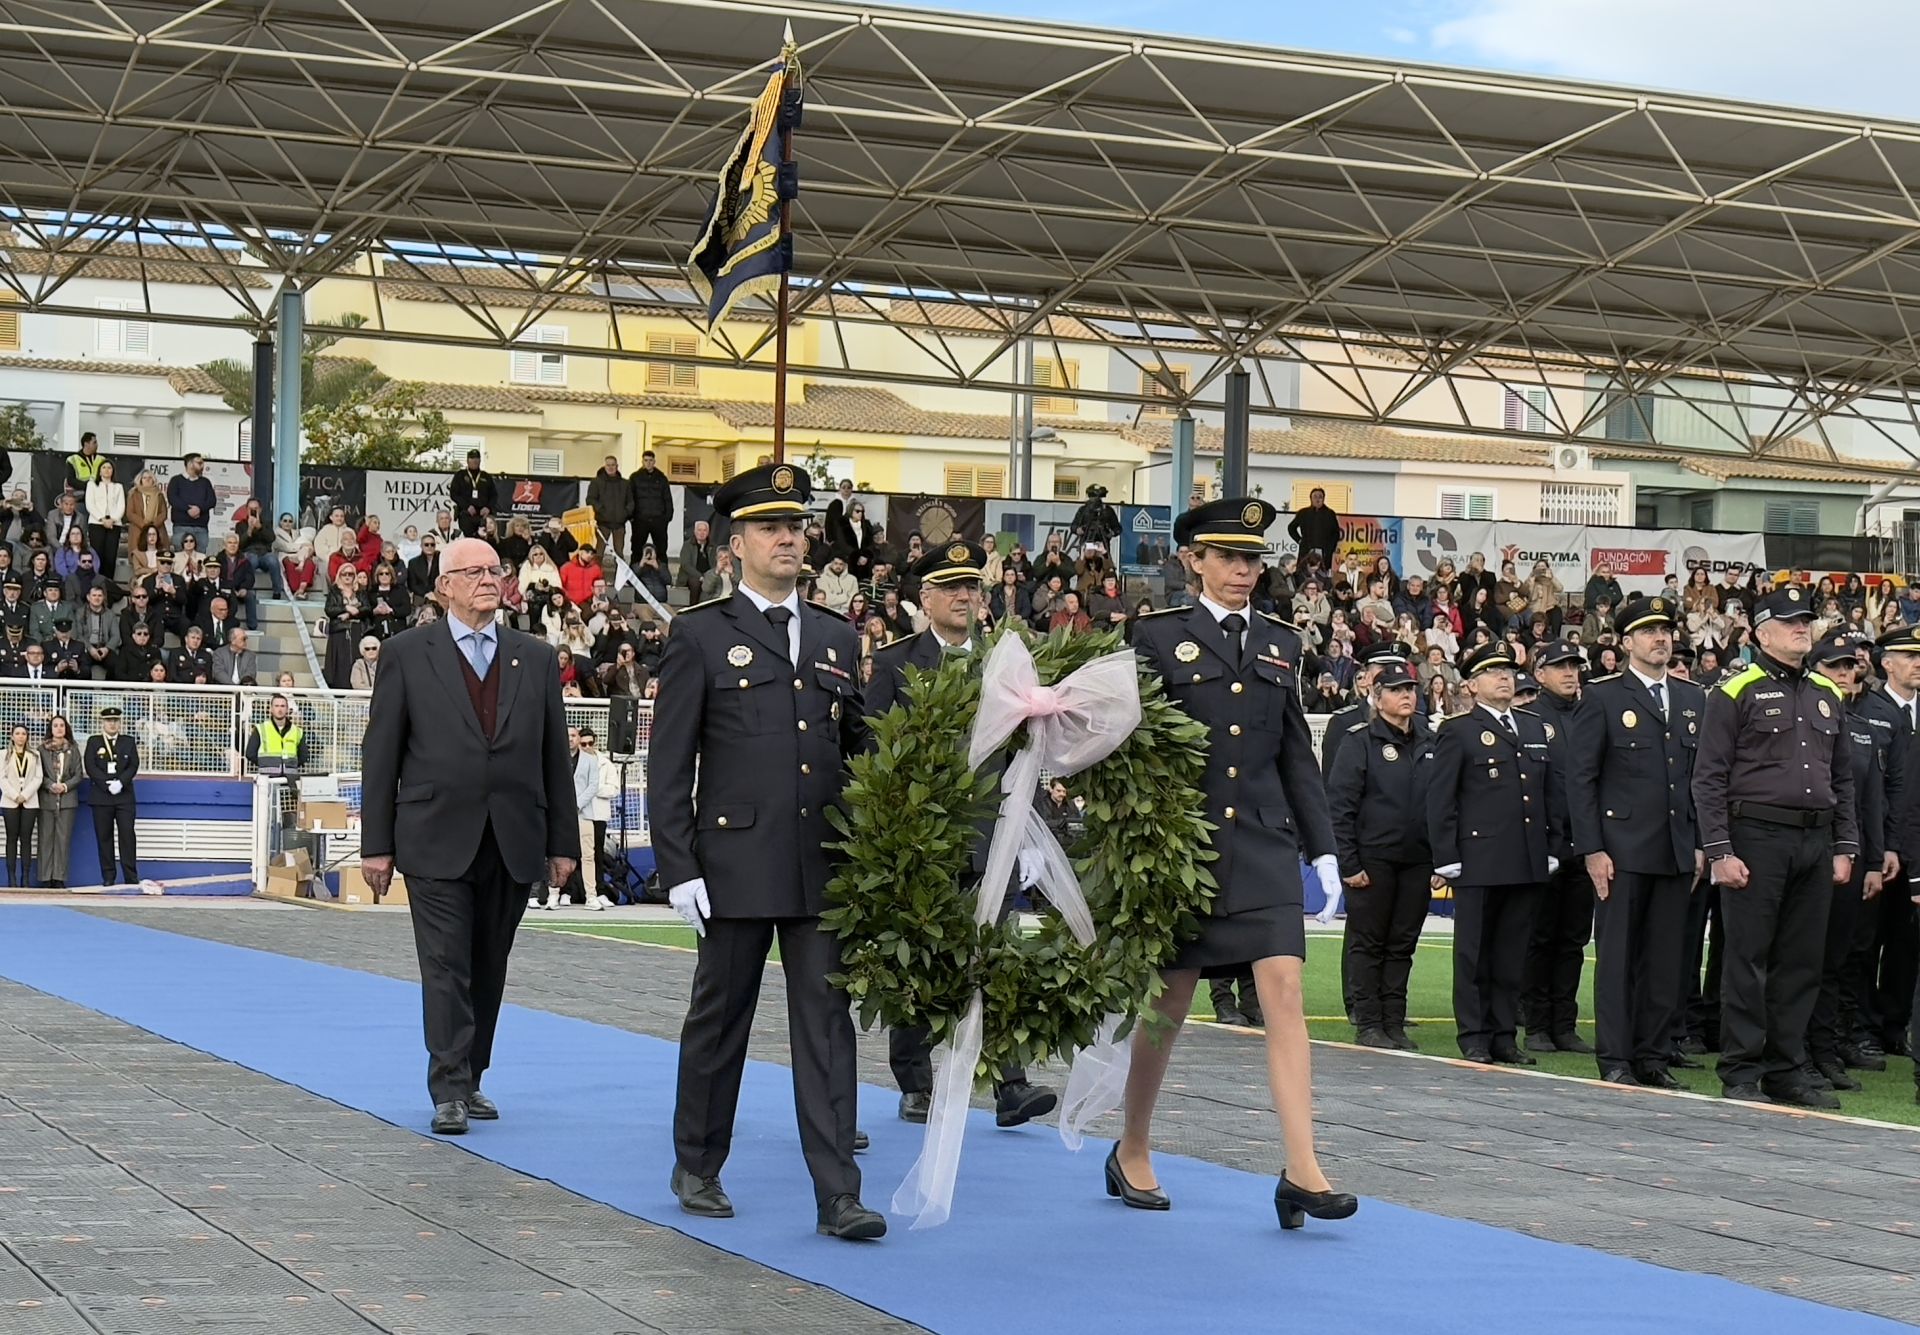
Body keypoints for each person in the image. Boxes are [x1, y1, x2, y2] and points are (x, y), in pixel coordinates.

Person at [651, 463, 884, 1241]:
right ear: (734, 544)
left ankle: (838, 1193)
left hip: (821, 865)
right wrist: (677, 867)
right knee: (722, 1019)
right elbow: (670, 763)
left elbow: (859, 752)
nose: (788, 538)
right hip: (732, 864)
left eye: (796, 526)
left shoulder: (835, 635)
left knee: (826, 1024)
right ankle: (698, 1159)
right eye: (770, 527)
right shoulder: (701, 634)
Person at [1120, 496, 1355, 1229]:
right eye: (1227, 556)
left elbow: (1294, 752)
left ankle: (1301, 1167)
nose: (1242, 570)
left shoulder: (1282, 642)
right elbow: (1133, 743)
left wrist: (1322, 850)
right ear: (1193, 559)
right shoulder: (1156, 636)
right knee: (1169, 1003)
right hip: (1184, 846)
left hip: (1260, 841)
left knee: (1284, 989)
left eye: (1252, 558)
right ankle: (1130, 1146)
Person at [359, 534, 579, 1137]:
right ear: (444, 586)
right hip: (433, 835)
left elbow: (553, 757)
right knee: (445, 963)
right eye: (473, 571)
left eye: (494, 570)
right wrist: (375, 845)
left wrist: (564, 844)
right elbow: (382, 753)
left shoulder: (534, 657)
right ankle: (449, 1084)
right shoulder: (407, 653)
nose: (489, 579)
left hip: (513, 836)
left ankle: (474, 1074)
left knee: (490, 963)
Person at [865, 541, 1059, 1129]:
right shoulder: (898, 663)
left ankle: (1011, 1085)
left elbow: (1022, 755)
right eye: (950, 587)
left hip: (990, 834)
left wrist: (1028, 830)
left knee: (997, 958)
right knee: (919, 959)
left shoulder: (1003, 664)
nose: (963, 597)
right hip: (923, 838)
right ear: (925, 599)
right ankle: (916, 1081)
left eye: (971, 587)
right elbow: (874, 750)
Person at [1692, 586, 1856, 1109]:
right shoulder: (1733, 689)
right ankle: (1741, 1068)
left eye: (1805, 620)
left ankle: (1787, 1068)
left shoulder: (1827, 693)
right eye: (1789, 622)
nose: (1801, 628)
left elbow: (1843, 777)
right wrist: (1720, 850)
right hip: (1756, 836)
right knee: (1747, 958)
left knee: (1802, 961)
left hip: (1814, 836)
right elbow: (1708, 777)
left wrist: (1844, 844)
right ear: (1761, 633)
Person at [1567, 596, 1706, 1087]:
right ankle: (1617, 1057)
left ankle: (1653, 1055)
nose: (1660, 639)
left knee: (1667, 960)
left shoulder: (1693, 699)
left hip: (1673, 848)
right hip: (1621, 850)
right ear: (1626, 643)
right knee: (1620, 958)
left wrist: (1699, 844)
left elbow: (1698, 780)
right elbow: (1581, 779)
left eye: (1665, 630)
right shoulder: (1602, 698)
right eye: (1648, 632)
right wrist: (1592, 849)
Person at [1427, 641, 1563, 1065]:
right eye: (1493, 672)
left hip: (1526, 857)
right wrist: (1446, 855)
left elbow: (1551, 793)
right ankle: (1474, 1034)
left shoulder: (1533, 726)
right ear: (1471, 684)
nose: (1505, 678)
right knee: (1475, 952)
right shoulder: (1458, 730)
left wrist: (1553, 846)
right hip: (1479, 858)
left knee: (1510, 954)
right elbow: (1441, 798)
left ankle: (1504, 1035)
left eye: (1508, 671)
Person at [1805, 632, 1900, 1096]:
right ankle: (1795, 1051)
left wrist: (1874, 860)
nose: (1844, 675)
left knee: (1838, 961)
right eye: (1833, 667)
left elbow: (1871, 801)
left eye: (1850, 667)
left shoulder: (1862, 725)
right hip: (1804, 853)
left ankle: (1825, 1049)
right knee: (1802, 959)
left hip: (1850, 855)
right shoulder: (1803, 716)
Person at [1327, 660, 1434, 1049]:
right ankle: (1369, 1022)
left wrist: (1441, 859)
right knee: (1368, 942)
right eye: (1396, 689)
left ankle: (1394, 1020)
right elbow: (1340, 806)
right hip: (1373, 859)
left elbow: (1442, 804)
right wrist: (1349, 862)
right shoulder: (1359, 741)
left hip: (1417, 859)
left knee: (1402, 943)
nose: (1406, 696)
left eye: (1410, 689)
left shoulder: (1429, 739)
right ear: (1377, 696)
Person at [1520, 638, 1595, 1056]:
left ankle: (1564, 1023)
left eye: (1574, 666)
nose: (1570, 673)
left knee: (1573, 939)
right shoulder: (1529, 718)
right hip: (1544, 844)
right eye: (1560, 666)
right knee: (1540, 936)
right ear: (1540, 674)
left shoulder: (1591, 714)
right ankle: (1536, 1024)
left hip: (1583, 845)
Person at [84, 706, 139, 885]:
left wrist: (121, 782)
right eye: (109, 721)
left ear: (119, 722)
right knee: (104, 837)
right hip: (102, 796)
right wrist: (106, 784)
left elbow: (133, 765)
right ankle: (108, 877)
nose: (112, 724)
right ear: (103, 723)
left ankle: (130, 876)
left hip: (124, 797)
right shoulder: (94, 741)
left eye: (115, 721)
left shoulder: (128, 741)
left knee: (127, 835)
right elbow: (90, 765)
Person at [37, 715, 79, 889]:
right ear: (51, 729)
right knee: (46, 839)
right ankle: (45, 877)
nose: (59, 728)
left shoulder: (73, 749)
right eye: (55, 725)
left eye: (62, 725)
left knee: (63, 840)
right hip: (47, 800)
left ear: (66, 728)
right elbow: (38, 773)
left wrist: (65, 786)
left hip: (67, 800)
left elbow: (78, 774)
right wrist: (50, 785)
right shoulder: (42, 750)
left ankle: (59, 877)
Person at [0, 723, 41, 886]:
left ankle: (25, 877)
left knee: (26, 839)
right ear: (12, 736)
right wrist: (15, 795)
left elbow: (38, 777)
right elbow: (2, 778)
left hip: (30, 801)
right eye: (17, 733)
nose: (20, 737)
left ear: (27, 736)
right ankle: (12, 878)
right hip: (10, 801)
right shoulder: (4, 754)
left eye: (23, 733)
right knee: (11, 839)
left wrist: (25, 795)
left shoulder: (35, 754)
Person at [628, 450, 674, 570]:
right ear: (642, 461)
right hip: (640, 519)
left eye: (651, 460)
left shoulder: (662, 477)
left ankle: (663, 574)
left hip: (658, 520)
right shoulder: (634, 477)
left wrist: (667, 517)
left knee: (661, 549)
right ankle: (633, 575)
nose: (648, 463)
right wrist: (631, 516)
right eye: (646, 460)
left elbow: (667, 498)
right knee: (637, 549)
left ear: (654, 461)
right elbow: (630, 498)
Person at [245, 693, 310, 772]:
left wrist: (291, 766)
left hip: (290, 776)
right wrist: (265, 764)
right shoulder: (261, 728)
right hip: (267, 776)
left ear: (287, 709)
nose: (280, 709)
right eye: (276, 706)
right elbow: (250, 753)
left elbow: (303, 756)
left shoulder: (297, 731)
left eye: (283, 706)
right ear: (271, 709)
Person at [166, 454, 216, 552]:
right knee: (180, 558)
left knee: (200, 559)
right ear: (189, 464)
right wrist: (187, 509)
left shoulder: (205, 482)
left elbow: (212, 500)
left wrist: (199, 509)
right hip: (181, 526)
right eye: (199, 463)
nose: (202, 466)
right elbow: (172, 498)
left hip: (201, 528)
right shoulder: (176, 480)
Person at [84, 459, 125, 576]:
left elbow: (121, 506)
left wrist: (113, 519)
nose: (107, 470)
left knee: (110, 557)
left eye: (109, 468)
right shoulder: (92, 485)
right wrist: (102, 519)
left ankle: (108, 585)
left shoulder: (118, 487)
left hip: (114, 524)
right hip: (96, 523)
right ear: (99, 471)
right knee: (97, 555)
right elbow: (90, 504)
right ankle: (96, 583)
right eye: (104, 467)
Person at [449, 449, 498, 538]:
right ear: (467, 460)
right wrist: (466, 506)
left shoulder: (486, 476)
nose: (475, 461)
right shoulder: (460, 475)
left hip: (483, 514)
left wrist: (488, 507)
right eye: (472, 458)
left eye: (477, 458)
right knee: (468, 538)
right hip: (466, 513)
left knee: (484, 538)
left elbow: (494, 495)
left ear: (480, 460)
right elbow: (454, 494)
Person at [1286, 488, 1339, 569]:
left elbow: (1336, 534)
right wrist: (1299, 540)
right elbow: (1291, 528)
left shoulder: (1330, 514)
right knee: (1303, 574)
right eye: (1315, 497)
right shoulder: (1303, 513)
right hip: (1306, 550)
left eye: (1320, 497)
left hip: (1323, 552)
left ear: (1323, 499)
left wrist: (1329, 549)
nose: (1317, 499)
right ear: (1310, 498)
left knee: (1322, 575)